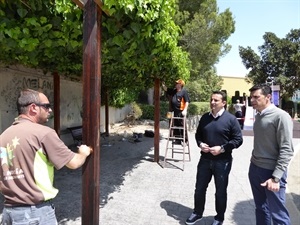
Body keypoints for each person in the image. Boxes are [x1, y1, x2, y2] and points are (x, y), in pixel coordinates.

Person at [0, 89, 93, 225]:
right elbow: (73, 163)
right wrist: (83, 152)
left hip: (8, 213)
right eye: (46, 106)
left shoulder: (3, 136)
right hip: (35, 213)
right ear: (33, 108)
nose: (50, 110)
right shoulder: (43, 133)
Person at [186, 90, 243, 225]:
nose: (212, 102)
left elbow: (238, 140)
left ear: (223, 103)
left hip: (222, 162)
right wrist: (200, 144)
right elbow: (198, 135)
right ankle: (197, 213)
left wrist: (222, 148)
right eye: (211, 99)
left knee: (220, 191)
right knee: (199, 188)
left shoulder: (231, 119)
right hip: (205, 160)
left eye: (216, 100)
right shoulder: (205, 117)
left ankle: (219, 218)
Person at [248, 84, 294, 225]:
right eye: (251, 97)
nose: (252, 100)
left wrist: (276, 178)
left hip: (272, 172)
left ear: (268, 97)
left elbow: (287, 149)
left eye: (256, 97)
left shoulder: (281, 117)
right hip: (255, 168)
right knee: (261, 209)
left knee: (278, 214)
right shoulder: (259, 115)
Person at [163, 79, 190, 144]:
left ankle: (185, 140)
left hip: (181, 111)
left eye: (178, 83)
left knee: (182, 125)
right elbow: (166, 89)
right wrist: (163, 84)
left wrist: (185, 110)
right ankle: (178, 139)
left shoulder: (184, 92)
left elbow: (187, 101)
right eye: (176, 83)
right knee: (175, 125)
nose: (176, 85)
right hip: (174, 111)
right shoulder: (174, 91)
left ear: (181, 85)